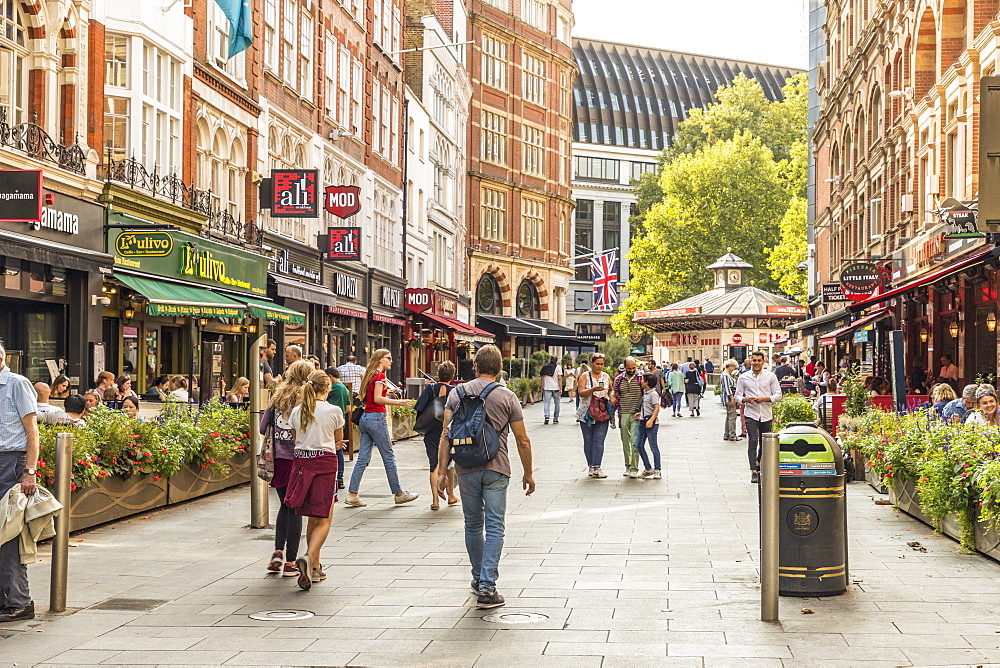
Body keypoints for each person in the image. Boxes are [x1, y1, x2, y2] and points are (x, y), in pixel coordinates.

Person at [435, 344, 534, 610]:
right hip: (496, 467)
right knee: (495, 526)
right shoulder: (507, 396)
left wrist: (443, 472)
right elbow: (522, 439)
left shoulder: (457, 393)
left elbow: (446, 434)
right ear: (499, 368)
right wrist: (528, 472)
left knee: (472, 524)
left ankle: (479, 578)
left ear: (475, 367)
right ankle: (488, 586)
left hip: (466, 466)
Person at [286, 369, 345, 590]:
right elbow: (337, 439)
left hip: (301, 464)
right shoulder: (333, 411)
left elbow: (294, 438)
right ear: (328, 388)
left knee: (312, 516)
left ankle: (315, 567)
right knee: (324, 518)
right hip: (324, 464)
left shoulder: (297, 411)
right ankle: (309, 557)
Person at [344, 349, 418, 507]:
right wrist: (400, 402)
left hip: (365, 419)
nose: (391, 361)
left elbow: (369, 397)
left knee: (363, 458)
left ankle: (352, 494)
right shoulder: (380, 376)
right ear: (380, 359)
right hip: (376, 418)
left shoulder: (370, 375)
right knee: (388, 456)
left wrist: (387, 392)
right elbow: (377, 398)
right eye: (388, 358)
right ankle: (399, 493)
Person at [0, 340, 39, 622]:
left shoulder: (16, 384)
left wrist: (30, 470)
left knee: (8, 533)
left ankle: (19, 601)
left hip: (10, 463)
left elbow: (32, 431)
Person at [261, 362, 311, 580]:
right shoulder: (306, 400)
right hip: (298, 460)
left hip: (278, 460)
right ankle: (291, 561)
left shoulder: (276, 398)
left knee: (284, 505)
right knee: (296, 509)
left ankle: (277, 552)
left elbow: (263, 428)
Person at [735, 351, 782, 484]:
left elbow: (778, 395)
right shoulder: (743, 377)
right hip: (751, 413)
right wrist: (745, 399)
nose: (756, 363)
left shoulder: (770, 376)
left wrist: (765, 399)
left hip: (766, 414)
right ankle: (753, 471)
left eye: (759, 360)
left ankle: (759, 464)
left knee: (764, 443)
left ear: (763, 362)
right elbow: (737, 396)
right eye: (754, 360)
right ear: (751, 361)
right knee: (753, 441)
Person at [416, 361, 457, 509]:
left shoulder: (430, 388)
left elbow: (419, 409)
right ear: (453, 375)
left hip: (432, 431)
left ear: (438, 374)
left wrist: (423, 427)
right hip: (449, 431)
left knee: (434, 464)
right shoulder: (455, 391)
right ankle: (451, 495)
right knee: (450, 464)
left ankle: (435, 501)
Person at [576, 352, 611, 478]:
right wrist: (593, 390)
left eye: (602, 364)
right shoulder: (585, 376)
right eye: (597, 364)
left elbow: (611, 391)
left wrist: (611, 399)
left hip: (602, 413)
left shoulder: (606, 376)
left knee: (599, 440)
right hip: (586, 413)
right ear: (592, 363)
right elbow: (580, 392)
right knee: (588, 440)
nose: (600, 366)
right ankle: (591, 465)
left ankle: (597, 466)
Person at [611, 357, 643, 478]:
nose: (631, 370)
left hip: (636, 413)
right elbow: (615, 397)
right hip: (623, 412)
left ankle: (634, 468)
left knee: (635, 442)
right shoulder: (619, 379)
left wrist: (642, 412)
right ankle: (627, 466)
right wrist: (613, 415)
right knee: (625, 442)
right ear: (624, 367)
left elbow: (646, 395)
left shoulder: (641, 378)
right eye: (629, 368)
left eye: (633, 367)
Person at [325, 367, 351, 492]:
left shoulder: (333, 388)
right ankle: (340, 478)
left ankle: (334, 477)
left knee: (332, 448)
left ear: (330, 376)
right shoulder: (345, 389)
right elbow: (349, 409)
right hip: (341, 422)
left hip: (329, 422)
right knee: (339, 448)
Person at [634, 373, 661, 479]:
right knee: (639, 445)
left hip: (651, 423)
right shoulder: (645, 393)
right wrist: (640, 414)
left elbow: (656, 408)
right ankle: (648, 468)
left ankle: (657, 469)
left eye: (643, 380)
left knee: (653, 446)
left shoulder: (653, 394)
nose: (641, 382)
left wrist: (651, 420)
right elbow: (647, 407)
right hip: (642, 421)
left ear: (647, 382)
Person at [540, 355, 562, 425]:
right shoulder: (558, 367)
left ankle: (547, 417)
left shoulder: (545, 367)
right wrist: (560, 388)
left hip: (547, 387)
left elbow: (542, 378)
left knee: (546, 403)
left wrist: (542, 386)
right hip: (556, 387)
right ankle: (555, 418)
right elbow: (559, 378)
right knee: (557, 403)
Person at [720, 360, 739, 440]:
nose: (734, 368)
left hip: (728, 397)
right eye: (734, 367)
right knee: (732, 416)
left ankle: (727, 434)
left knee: (729, 416)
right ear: (730, 366)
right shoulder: (725, 375)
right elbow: (727, 388)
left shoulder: (727, 375)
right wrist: (732, 398)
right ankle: (732, 434)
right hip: (729, 397)